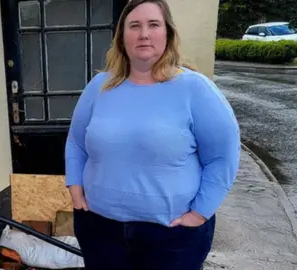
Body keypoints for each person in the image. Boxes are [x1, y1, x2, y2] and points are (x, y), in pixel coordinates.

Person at [65, 0, 241, 269]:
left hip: (172, 238)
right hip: (100, 230)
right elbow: (76, 143)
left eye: (153, 25)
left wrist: (200, 213)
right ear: (122, 37)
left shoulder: (196, 89)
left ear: (167, 34)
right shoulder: (99, 87)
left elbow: (222, 156)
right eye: (134, 26)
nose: (143, 34)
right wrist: (75, 189)